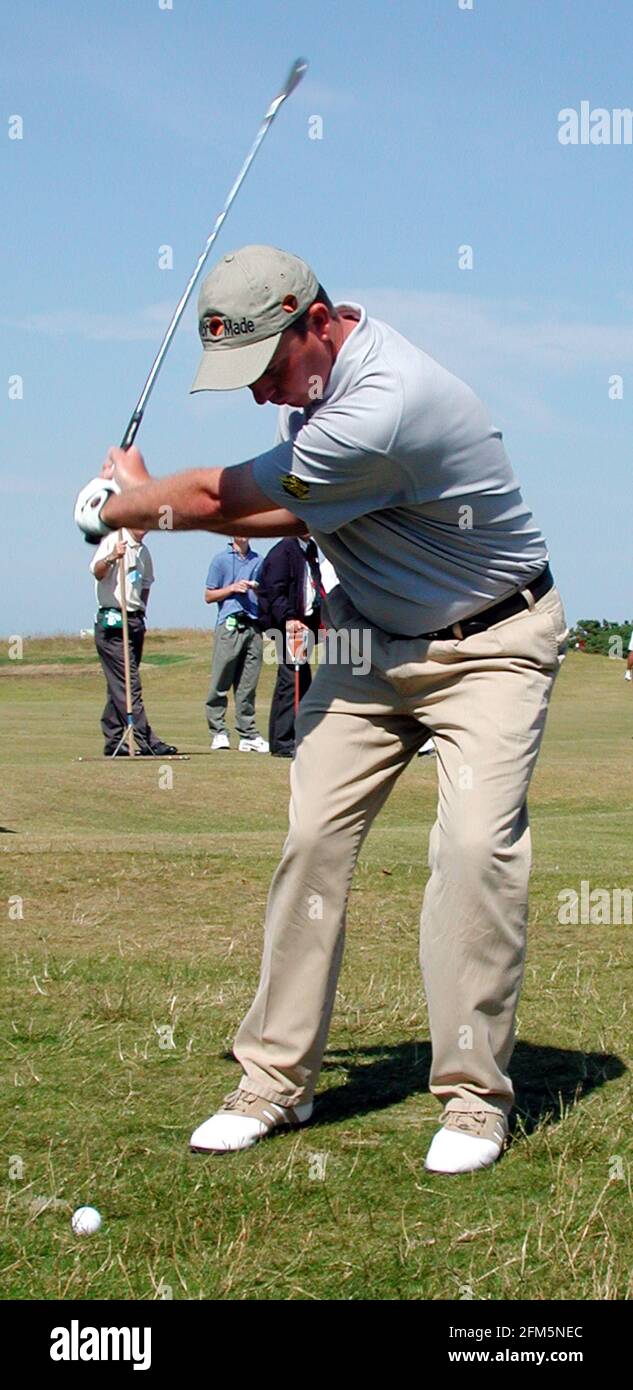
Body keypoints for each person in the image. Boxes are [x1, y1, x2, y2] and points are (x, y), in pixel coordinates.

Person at [78, 243, 568, 1175]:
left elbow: (233, 497)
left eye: (267, 367)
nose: (262, 391)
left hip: (491, 643)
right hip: (367, 641)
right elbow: (279, 510)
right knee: (313, 842)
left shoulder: (383, 406)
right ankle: (273, 1082)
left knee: (470, 852)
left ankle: (473, 1103)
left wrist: (121, 505)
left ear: (316, 321)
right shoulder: (319, 394)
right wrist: (146, 503)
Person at [91, 527, 177, 757]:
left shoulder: (144, 552)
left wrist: (141, 610)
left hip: (134, 619)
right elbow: (97, 572)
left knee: (118, 685)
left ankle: (113, 740)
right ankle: (147, 740)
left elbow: (146, 583)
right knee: (129, 683)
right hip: (112, 621)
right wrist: (112, 558)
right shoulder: (114, 540)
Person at [256, 535, 322, 756]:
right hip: (289, 625)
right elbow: (274, 590)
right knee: (291, 681)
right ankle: (283, 741)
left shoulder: (310, 548)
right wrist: (288, 619)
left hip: (306, 625)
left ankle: (291, 736)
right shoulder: (283, 551)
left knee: (302, 679)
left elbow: (311, 586)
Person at [204, 536, 268, 752]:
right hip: (229, 625)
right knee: (221, 680)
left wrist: (256, 588)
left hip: (253, 624)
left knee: (247, 684)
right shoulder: (220, 560)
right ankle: (218, 731)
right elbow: (209, 595)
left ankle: (248, 733)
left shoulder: (258, 560)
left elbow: (267, 591)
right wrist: (232, 588)